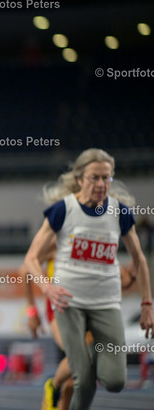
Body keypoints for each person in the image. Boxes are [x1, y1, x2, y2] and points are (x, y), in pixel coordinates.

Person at [24, 148, 154, 410]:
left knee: (95, 376)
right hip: (62, 302)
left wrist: (142, 297)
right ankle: (55, 387)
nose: (101, 184)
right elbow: (27, 266)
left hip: (101, 304)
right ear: (80, 179)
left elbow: (129, 269)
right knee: (80, 372)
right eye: (95, 178)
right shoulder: (62, 221)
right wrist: (33, 310)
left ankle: (60, 389)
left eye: (107, 178)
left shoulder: (116, 218)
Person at [21, 240, 136, 410]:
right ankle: (53, 386)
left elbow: (123, 281)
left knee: (75, 381)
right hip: (60, 310)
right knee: (83, 356)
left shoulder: (99, 242)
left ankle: (57, 393)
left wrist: (134, 271)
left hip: (88, 310)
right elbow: (25, 270)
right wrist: (32, 312)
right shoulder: (56, 241)